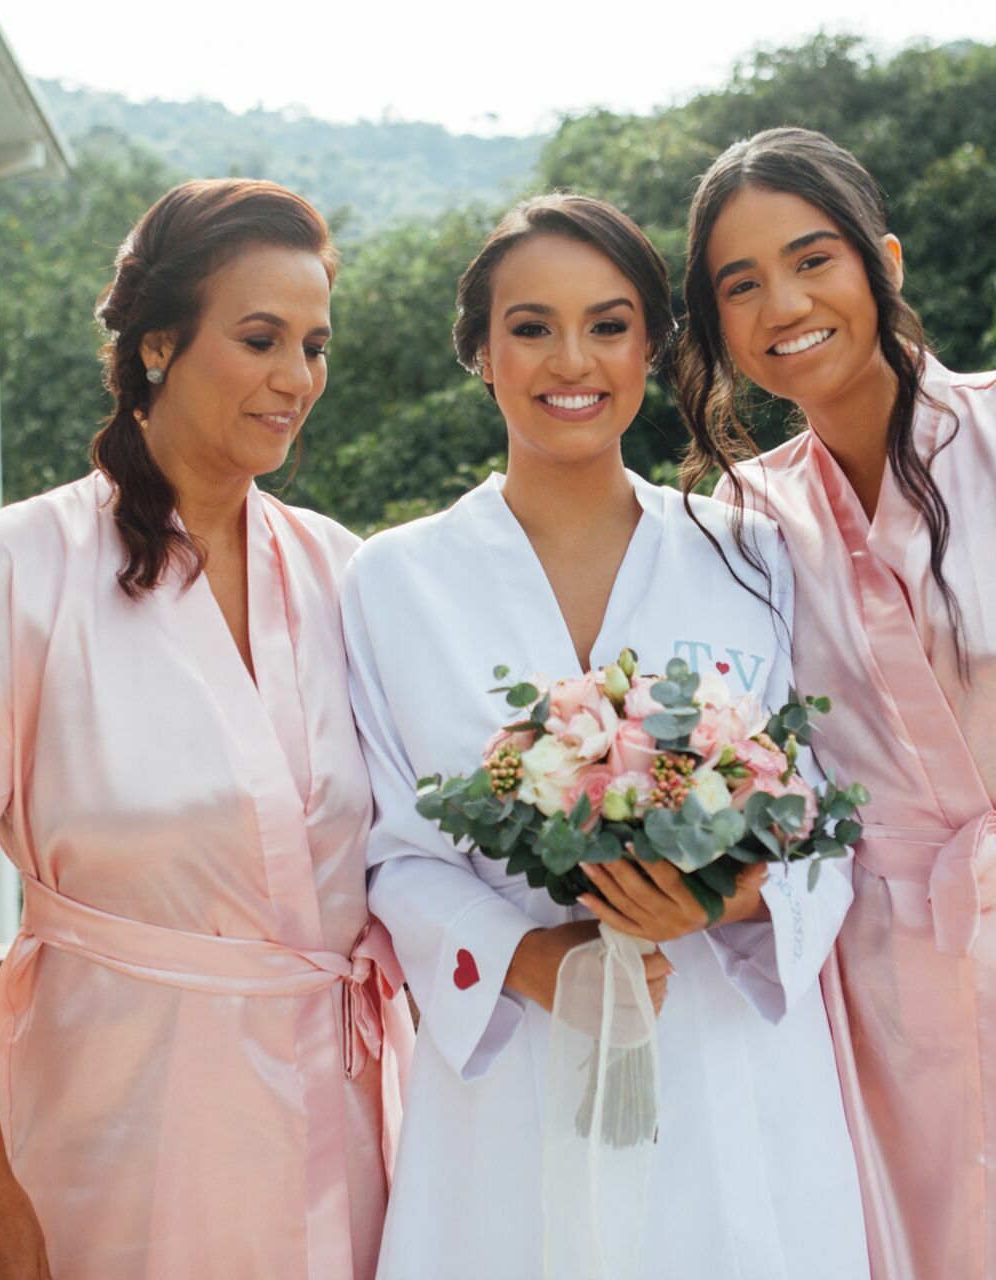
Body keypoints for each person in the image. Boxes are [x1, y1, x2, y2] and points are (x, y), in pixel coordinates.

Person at [679, 128, 996, 1278]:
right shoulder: (742, 523)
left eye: (813, 259)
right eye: (742, 283)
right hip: (869, 1029)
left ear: (886, 264)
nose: (785, 302)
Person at [0, 178, 407, 1279]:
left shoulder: (344, 572)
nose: (296, 378)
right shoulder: (20, 569)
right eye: (260, 338)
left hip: (340, 1123)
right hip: (119, 1130)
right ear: (160, 341)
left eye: (314, 344)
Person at [343, 193, 868, 1279]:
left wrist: (730, 891)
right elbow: (391, 848)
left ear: (654, 347)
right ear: (480, 352)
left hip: (722, 1054)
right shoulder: (393, 581)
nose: (569, 359)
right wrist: (536, 961)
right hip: (513, 1068)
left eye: (610, 323)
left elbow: (827, 811)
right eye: (530, 326)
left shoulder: (751, 554)